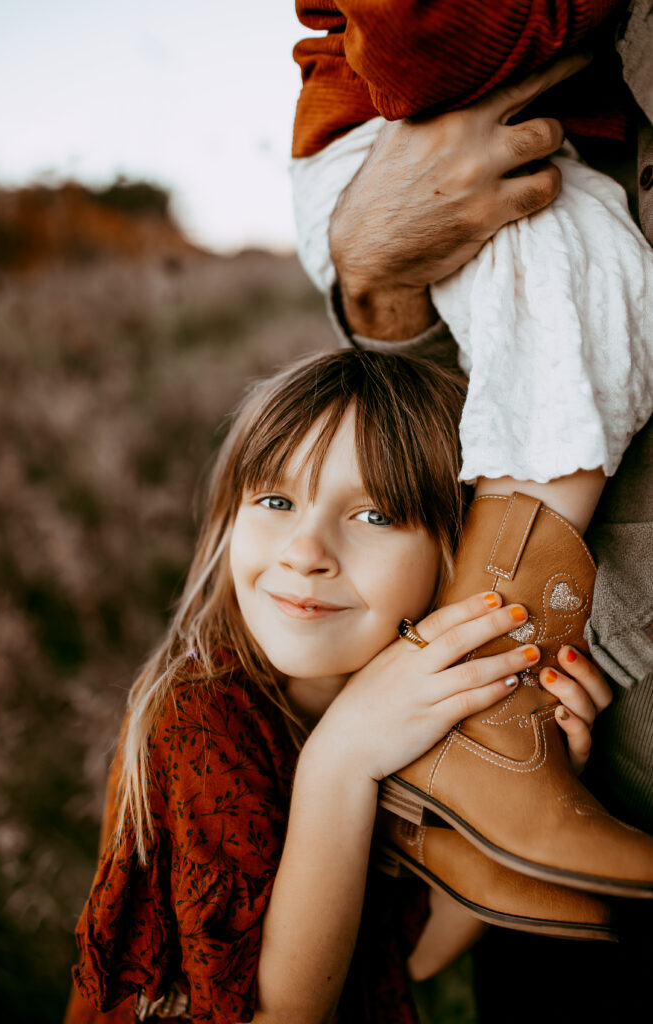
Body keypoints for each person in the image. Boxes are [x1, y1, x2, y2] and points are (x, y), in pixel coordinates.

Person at [64, 351, 613, 1024]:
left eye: (374, 515)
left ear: (454, 558)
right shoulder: (199, 717)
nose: (304, 551)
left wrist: (527, 789)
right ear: (227, 522)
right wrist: (340, 759)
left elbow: (405, 956)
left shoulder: (415, 718)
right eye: (274, 500)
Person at [289, 2, 653, 1017]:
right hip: (445, 162)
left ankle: (483, 781)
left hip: (510, 175)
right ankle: (490, 732)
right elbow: (409, 49)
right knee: (574, 371)